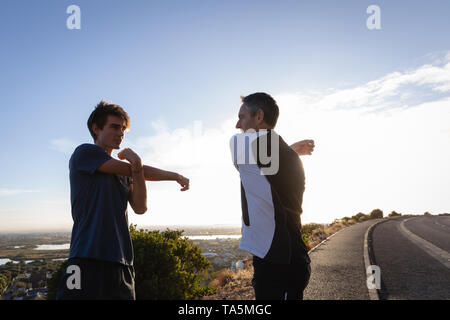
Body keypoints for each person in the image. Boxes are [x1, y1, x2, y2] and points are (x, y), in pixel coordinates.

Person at [56, 100, 189, 300]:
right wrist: (172, 175)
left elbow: (140, 207)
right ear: (96, 128)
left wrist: (137, 169)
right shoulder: (85, 153)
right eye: (115, 127)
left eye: (123, 129)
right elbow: (134, 170)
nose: (121, 133)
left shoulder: (127, 172)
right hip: (84, 258)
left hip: (122, 262)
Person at [231, 92, 314, 300]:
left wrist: (292, 149)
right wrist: (292, 149)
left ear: (259, 116)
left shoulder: (240, 144)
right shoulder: (288, 156)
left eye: (242, 117)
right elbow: (270, 165)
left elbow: (261, 156)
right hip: (286, 257)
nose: (237, 125)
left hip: (277, 262)